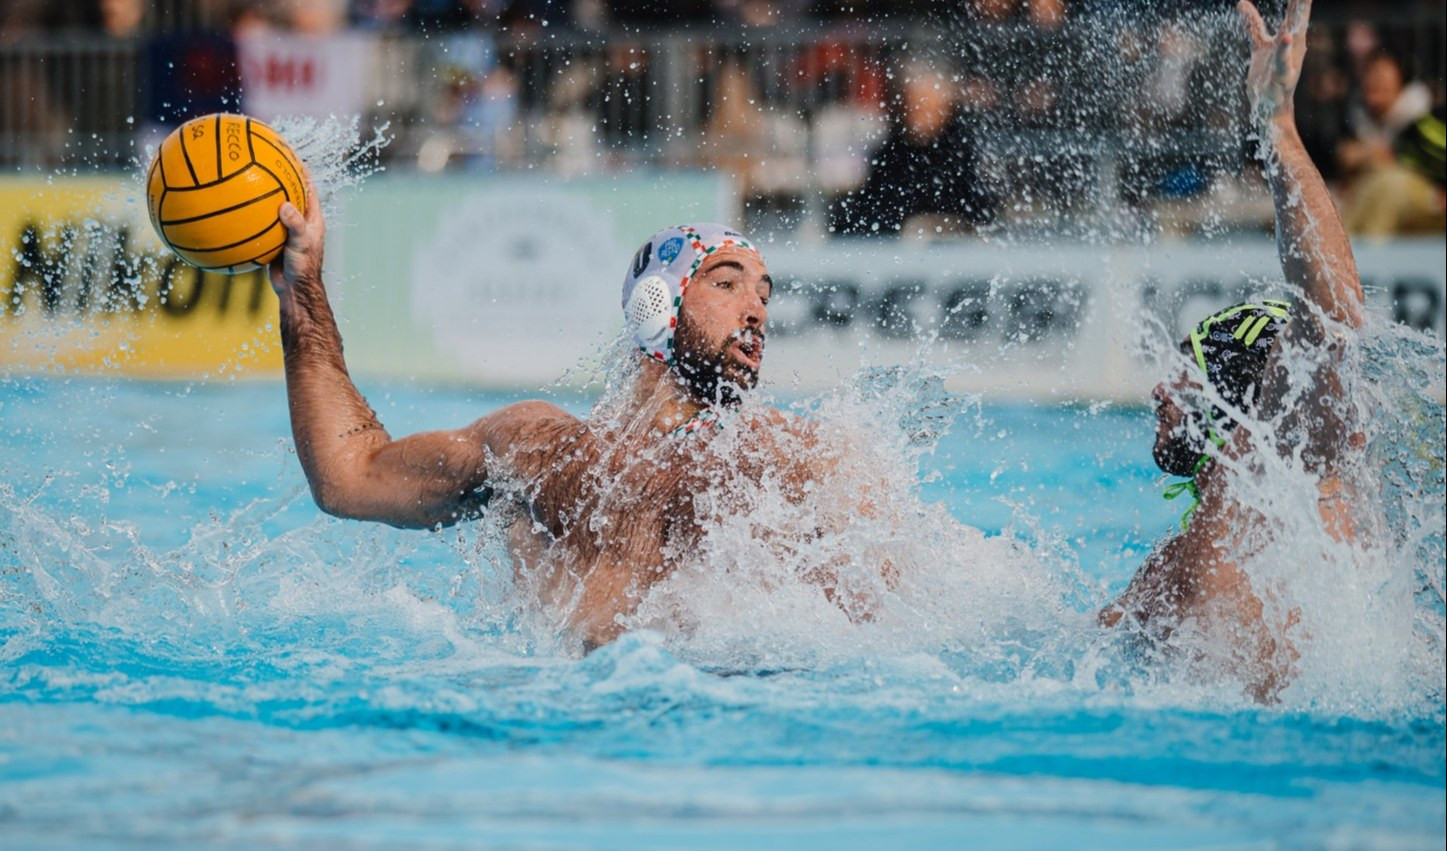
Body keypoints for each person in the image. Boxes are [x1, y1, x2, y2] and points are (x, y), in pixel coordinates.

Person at [269, 211, 874, 649]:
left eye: (764, 294)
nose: (757, 309)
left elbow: (879, 618)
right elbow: (349, 477)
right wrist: (302, 292)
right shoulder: (538, 446)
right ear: (657, 305)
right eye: (727, 283)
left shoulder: (786, 458)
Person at [1099, 0, 1367, 702]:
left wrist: (1276, 130)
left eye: (1188, 368)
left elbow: (1331, 324)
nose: (1161, 389)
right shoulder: (1177, 556)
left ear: (1243, 394)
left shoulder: (1286, 484)